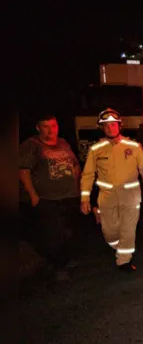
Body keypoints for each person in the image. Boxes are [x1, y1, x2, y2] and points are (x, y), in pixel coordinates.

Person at [80, 108, 143, 272]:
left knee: (128, 230)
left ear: (119, 126)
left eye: (113, 124)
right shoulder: (96, 149)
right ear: (102, 128)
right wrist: (85, 199)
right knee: (110, 232)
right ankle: (119, 247)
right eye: (106, 125)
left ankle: (124, 261)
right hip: (107, 197)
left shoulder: (133, 146)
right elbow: (87, 175)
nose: (110, 128)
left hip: (131, 196)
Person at [19, 114, 81, 281]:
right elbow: (23, 171)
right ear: (38, 128)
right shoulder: (32, 145)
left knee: (68, 231)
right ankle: (58, 266)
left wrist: (78, 185)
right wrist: (33, 196)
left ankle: (65, 260)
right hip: (48, 198)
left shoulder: (63, 143)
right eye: (46, 127)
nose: (51, 130)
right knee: (53, 233)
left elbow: (75, 164)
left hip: (69, 196)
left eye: (53, 126)